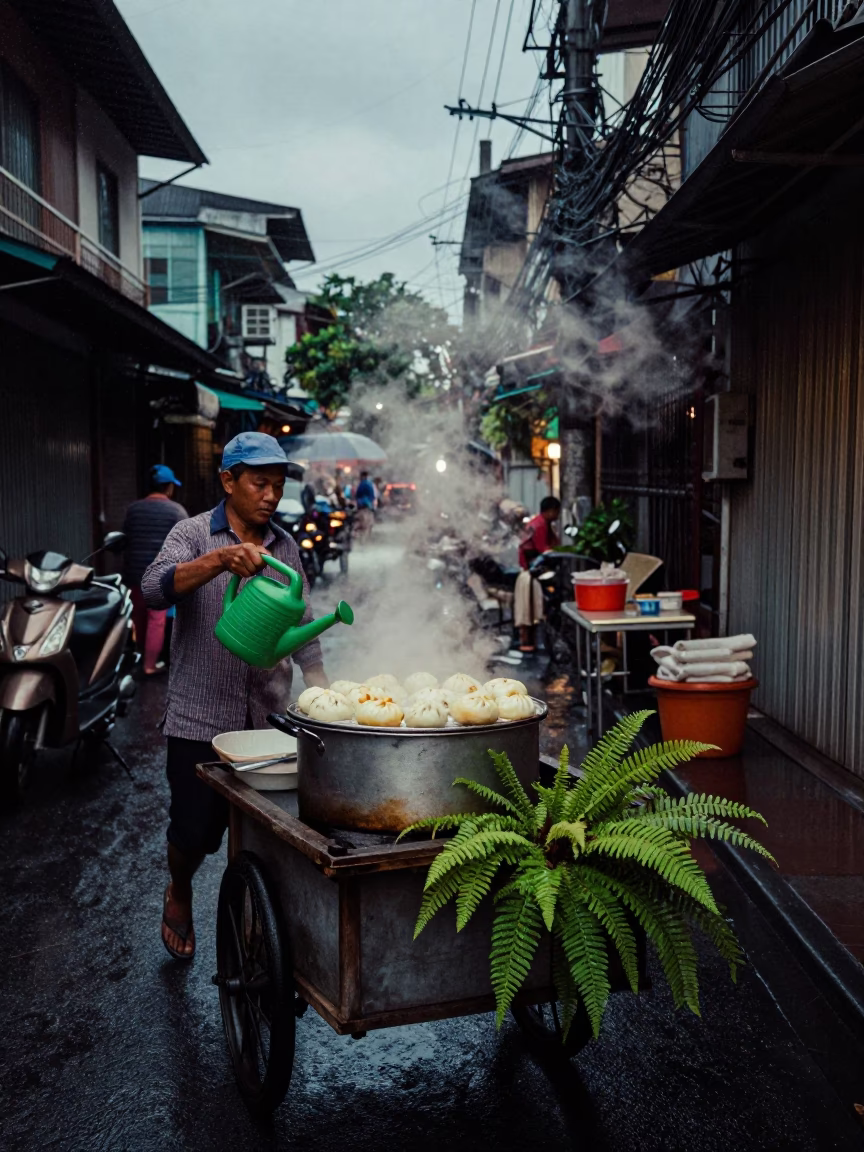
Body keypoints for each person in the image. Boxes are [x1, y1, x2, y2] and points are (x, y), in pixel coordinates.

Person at [142, 432, 329, 961]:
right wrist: (220, 561)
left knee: (267, 836)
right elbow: (153, 587)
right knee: (194, 831)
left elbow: (303, 622)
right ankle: (179, 889)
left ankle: (252, 919)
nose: (271, 496)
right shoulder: (193, 532)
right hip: (199, 718)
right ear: (229, 481)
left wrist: (322, 692)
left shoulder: (285, 546)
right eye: (259, 483)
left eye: (277, 485)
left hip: (267, 721)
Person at [122, 465, 187, 675]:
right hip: (160, 575)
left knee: (138, 617)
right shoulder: (176, 511)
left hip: (134, 572)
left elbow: (125, 539)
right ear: (168, 488)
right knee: (156, 620)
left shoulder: (132, 509)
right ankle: (149, 664)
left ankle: (140, 656)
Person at [514, 495, 561, 652]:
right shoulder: (539, 525)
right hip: (531, 572)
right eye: (557, 511)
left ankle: (531, 639)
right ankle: (525, 640)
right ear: (550, 511)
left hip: (534, 570)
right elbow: (544, 549)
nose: (558, 515)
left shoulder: (544, 524)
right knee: (528, 608)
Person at [354, 470, 376, 538]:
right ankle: (366, 537)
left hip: (362, 506)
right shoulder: (370, 484)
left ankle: (360, 537)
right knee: (368, 524)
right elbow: (373, 496)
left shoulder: (362, 484)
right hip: (369, 506)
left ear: (362, 476)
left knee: (361, 523)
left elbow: (358, 494)